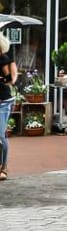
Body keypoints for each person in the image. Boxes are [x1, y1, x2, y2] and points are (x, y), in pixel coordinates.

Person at [0, 32, 18, 179]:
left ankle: (4, 167)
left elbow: (9, 79)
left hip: (3, 102)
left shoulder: (4, 59)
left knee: (0, 135)